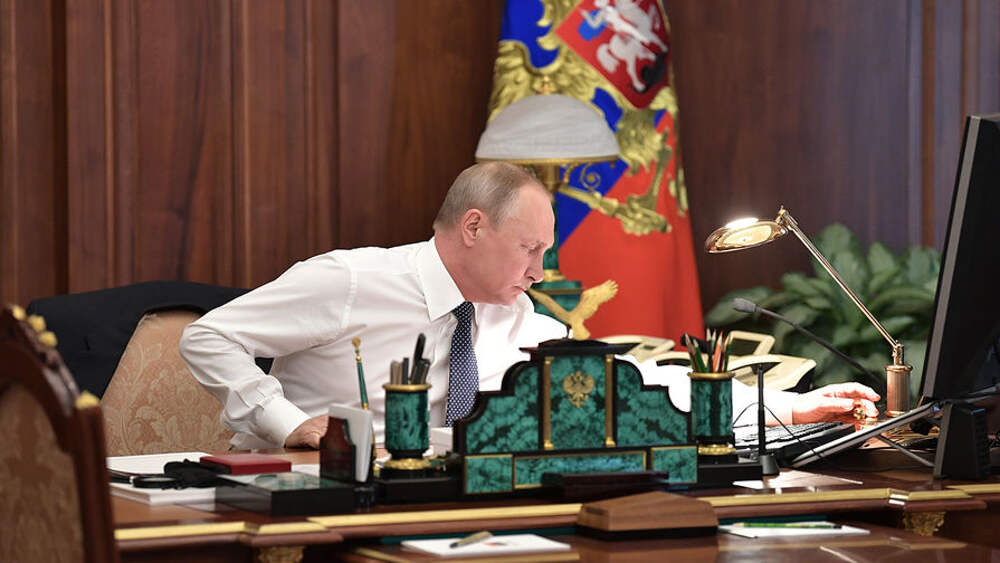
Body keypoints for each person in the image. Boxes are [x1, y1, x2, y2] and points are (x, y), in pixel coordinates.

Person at [181, 162, 879, 450]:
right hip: (316, 494)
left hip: (447, 507)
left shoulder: (510, 313)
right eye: (530, 249)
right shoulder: (352, 279)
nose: (540, 271)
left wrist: (791, 408)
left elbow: (633, 383)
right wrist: (289, 423)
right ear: (474, 227)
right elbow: (209, 337)